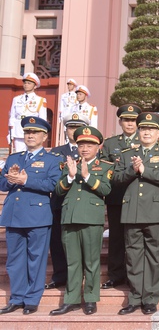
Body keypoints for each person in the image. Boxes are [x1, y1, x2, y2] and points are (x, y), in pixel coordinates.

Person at [113, 112, 159, 315]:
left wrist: (144, 170)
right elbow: (116, 178)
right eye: (143, 128)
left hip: (156, 212)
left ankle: (150, 298)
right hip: (132, 211)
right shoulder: (126, 154)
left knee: (155, 257)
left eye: (151, 129)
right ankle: (134, 298)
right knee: (133, 256)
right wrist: (133, 169)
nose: (146, 132)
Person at [50, 126, 113, 316]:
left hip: (91, 219)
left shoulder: (105, 166)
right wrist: (70, 175)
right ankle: (72, 300)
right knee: (72, 261)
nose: (85, 148)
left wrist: (86, 176)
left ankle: (91, 298)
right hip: (69, 217)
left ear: (98, 147)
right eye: (81, 145)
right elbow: (59, 191)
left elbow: (106, 190)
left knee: (91, 262)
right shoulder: (69, 165)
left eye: (89, 145)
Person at [0, 117, 60, 315]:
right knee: (15, 260)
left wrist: (26, 180)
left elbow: (53, 185)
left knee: (36, 259)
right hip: (14, 214)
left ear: (44, 136)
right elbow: (2, 184)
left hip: (38, 215)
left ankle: (32, 299)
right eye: (27, 132)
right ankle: (17, 298)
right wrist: (11, 180)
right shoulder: (13, 158)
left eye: (35, 133)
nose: (30, 136)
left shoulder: (52, 159)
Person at [46, 112, 91, 291]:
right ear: (65, 130)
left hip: (82, 203)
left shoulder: (90, 149)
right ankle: (59, 276)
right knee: (57, 241)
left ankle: (82, 278)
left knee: (81, 245)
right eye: (71, 127)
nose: (73, 130)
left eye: (77, 127)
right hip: (60, 201)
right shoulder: (57, 152)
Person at [99, 104, 141, 289]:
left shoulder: (145, 141)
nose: (130, 124)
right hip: (116, 196)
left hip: (138, 197)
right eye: (126, 120)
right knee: (116, 237)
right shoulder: (110, 143)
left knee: (135, 238)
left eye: (133, 120)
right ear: (120, 121)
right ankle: (116, 275)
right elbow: (106, 169)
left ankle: (135, 277)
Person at [8, 73, 48, 153]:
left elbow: (43, 119)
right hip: (18, 131)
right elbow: (12, 117)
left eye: (29, 83)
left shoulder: (40, 100)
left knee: (32, 153)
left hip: (32, 131)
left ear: (35, 86)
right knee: (19, 154)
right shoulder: (16, 99)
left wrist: (41, 133)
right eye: (25, 83)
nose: (26, 85)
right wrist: (10, 133)